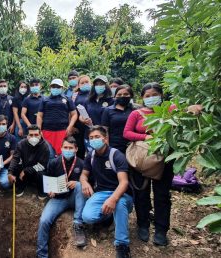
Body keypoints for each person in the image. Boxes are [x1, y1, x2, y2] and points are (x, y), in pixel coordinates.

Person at [122, 82, 174, 246]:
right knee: (141, 193)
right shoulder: (136, 114)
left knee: (162, 195)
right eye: (147, 96)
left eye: (154, 95)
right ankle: (142, 224)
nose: (151, 98)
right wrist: (146, 137)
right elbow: (127, 133)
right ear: (142, 98)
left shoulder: (170, 110)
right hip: (141, 160)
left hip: (164, 159)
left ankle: (161, 229)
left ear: (161, 95)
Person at [80, 126, 133, 258]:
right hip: (101, 193)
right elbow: (83, 175)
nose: (94, 140)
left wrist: (113, 199)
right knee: (87, 217)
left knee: (119, 204)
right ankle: (110, 216)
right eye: (91, 138)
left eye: (97, 137)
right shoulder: (90, 156)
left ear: (105, 138)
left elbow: (124, 182)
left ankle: (122, 245)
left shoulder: (116, 155)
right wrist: (84, 182)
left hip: (121, 194)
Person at [37, 136, 87, 258]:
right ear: (61, 148)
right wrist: (50, 191)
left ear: (76, 149)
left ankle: (78, 224)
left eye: (70, 148)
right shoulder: (54, 162)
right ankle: (41, 254)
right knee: (44, 221)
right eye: (65, 147)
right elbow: (49, 181)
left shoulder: (82, 163)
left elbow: (89, 183)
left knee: (80, 185)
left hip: (76, 198)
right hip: (58, 199)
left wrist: (77, 183)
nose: (67, 150)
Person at [7, 125, 50, 199]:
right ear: (27, 135)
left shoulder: (45, 146)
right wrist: (10, 172)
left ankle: (41, 189)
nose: (33, 137)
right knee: (16, 166)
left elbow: (43, 165)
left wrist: (26, 171)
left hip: (37, 170)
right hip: (25, 167)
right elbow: (15, 158)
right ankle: (21, 185)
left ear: (40, 135)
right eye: (31, 135)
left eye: (36, 135)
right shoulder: (21, 144)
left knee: (41, 172)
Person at [37, 79, 77, 155]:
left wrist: (70, 126)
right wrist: (39, 129)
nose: (55, 88)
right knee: (48, 153)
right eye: (53, 86)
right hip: (47, 131)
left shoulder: (67, 99)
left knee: (62, 153)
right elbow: (39, 115)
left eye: (58, 87)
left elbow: (74, 114)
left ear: (62, 88)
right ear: (50, 87)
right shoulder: (45, 100)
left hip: (63, 131)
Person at [101, 85, 135, 153]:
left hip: (133, 146)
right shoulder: (108, 110)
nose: (122, 96)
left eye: (126, 94)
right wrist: (107, 146)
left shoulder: (135, 110)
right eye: (119, 94)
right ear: (115, 96)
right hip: (114, 146)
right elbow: (105, 130)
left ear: (130, 96)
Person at [73, 75, 92, 158]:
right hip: (78, 127)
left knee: (91, 150)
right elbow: (71, 112)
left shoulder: (94, 94)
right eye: (82, 83)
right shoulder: (75, 95)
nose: (85, 84)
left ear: (90, 83)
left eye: (87, 82)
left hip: (91, 126)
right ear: (79, 85)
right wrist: (72, 126)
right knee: (79, 150)